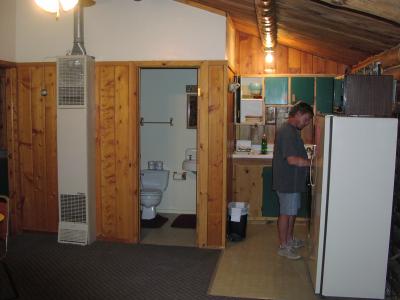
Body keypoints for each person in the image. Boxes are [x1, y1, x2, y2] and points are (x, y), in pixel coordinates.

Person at [272, 102, 313, 260]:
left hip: (293, 181)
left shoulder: (292, 131)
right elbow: (292, 160)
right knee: (286, 213)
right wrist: (313, 163)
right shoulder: (288, 132)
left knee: (292, 212)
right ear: (298, 114)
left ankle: (289, 240)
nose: (307, 122)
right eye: (307, 118)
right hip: (287, 181)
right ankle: (283, 246)